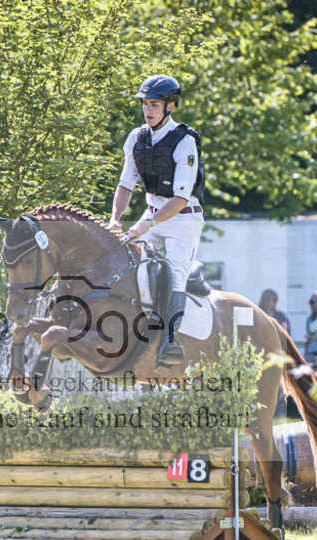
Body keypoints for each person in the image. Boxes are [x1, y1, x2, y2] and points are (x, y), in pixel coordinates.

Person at [107, 74, 206, 367]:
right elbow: (126, 184)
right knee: (122, 261)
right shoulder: (136, 138)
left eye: (155, 104)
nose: (148, 110)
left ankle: (170, 342)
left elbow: (180, 199)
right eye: (145, 104)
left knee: (175, 275)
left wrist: (146, 224)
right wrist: (115, 219)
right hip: (152, 215)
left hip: (183, 219)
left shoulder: (185, 141)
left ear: (171, 106)